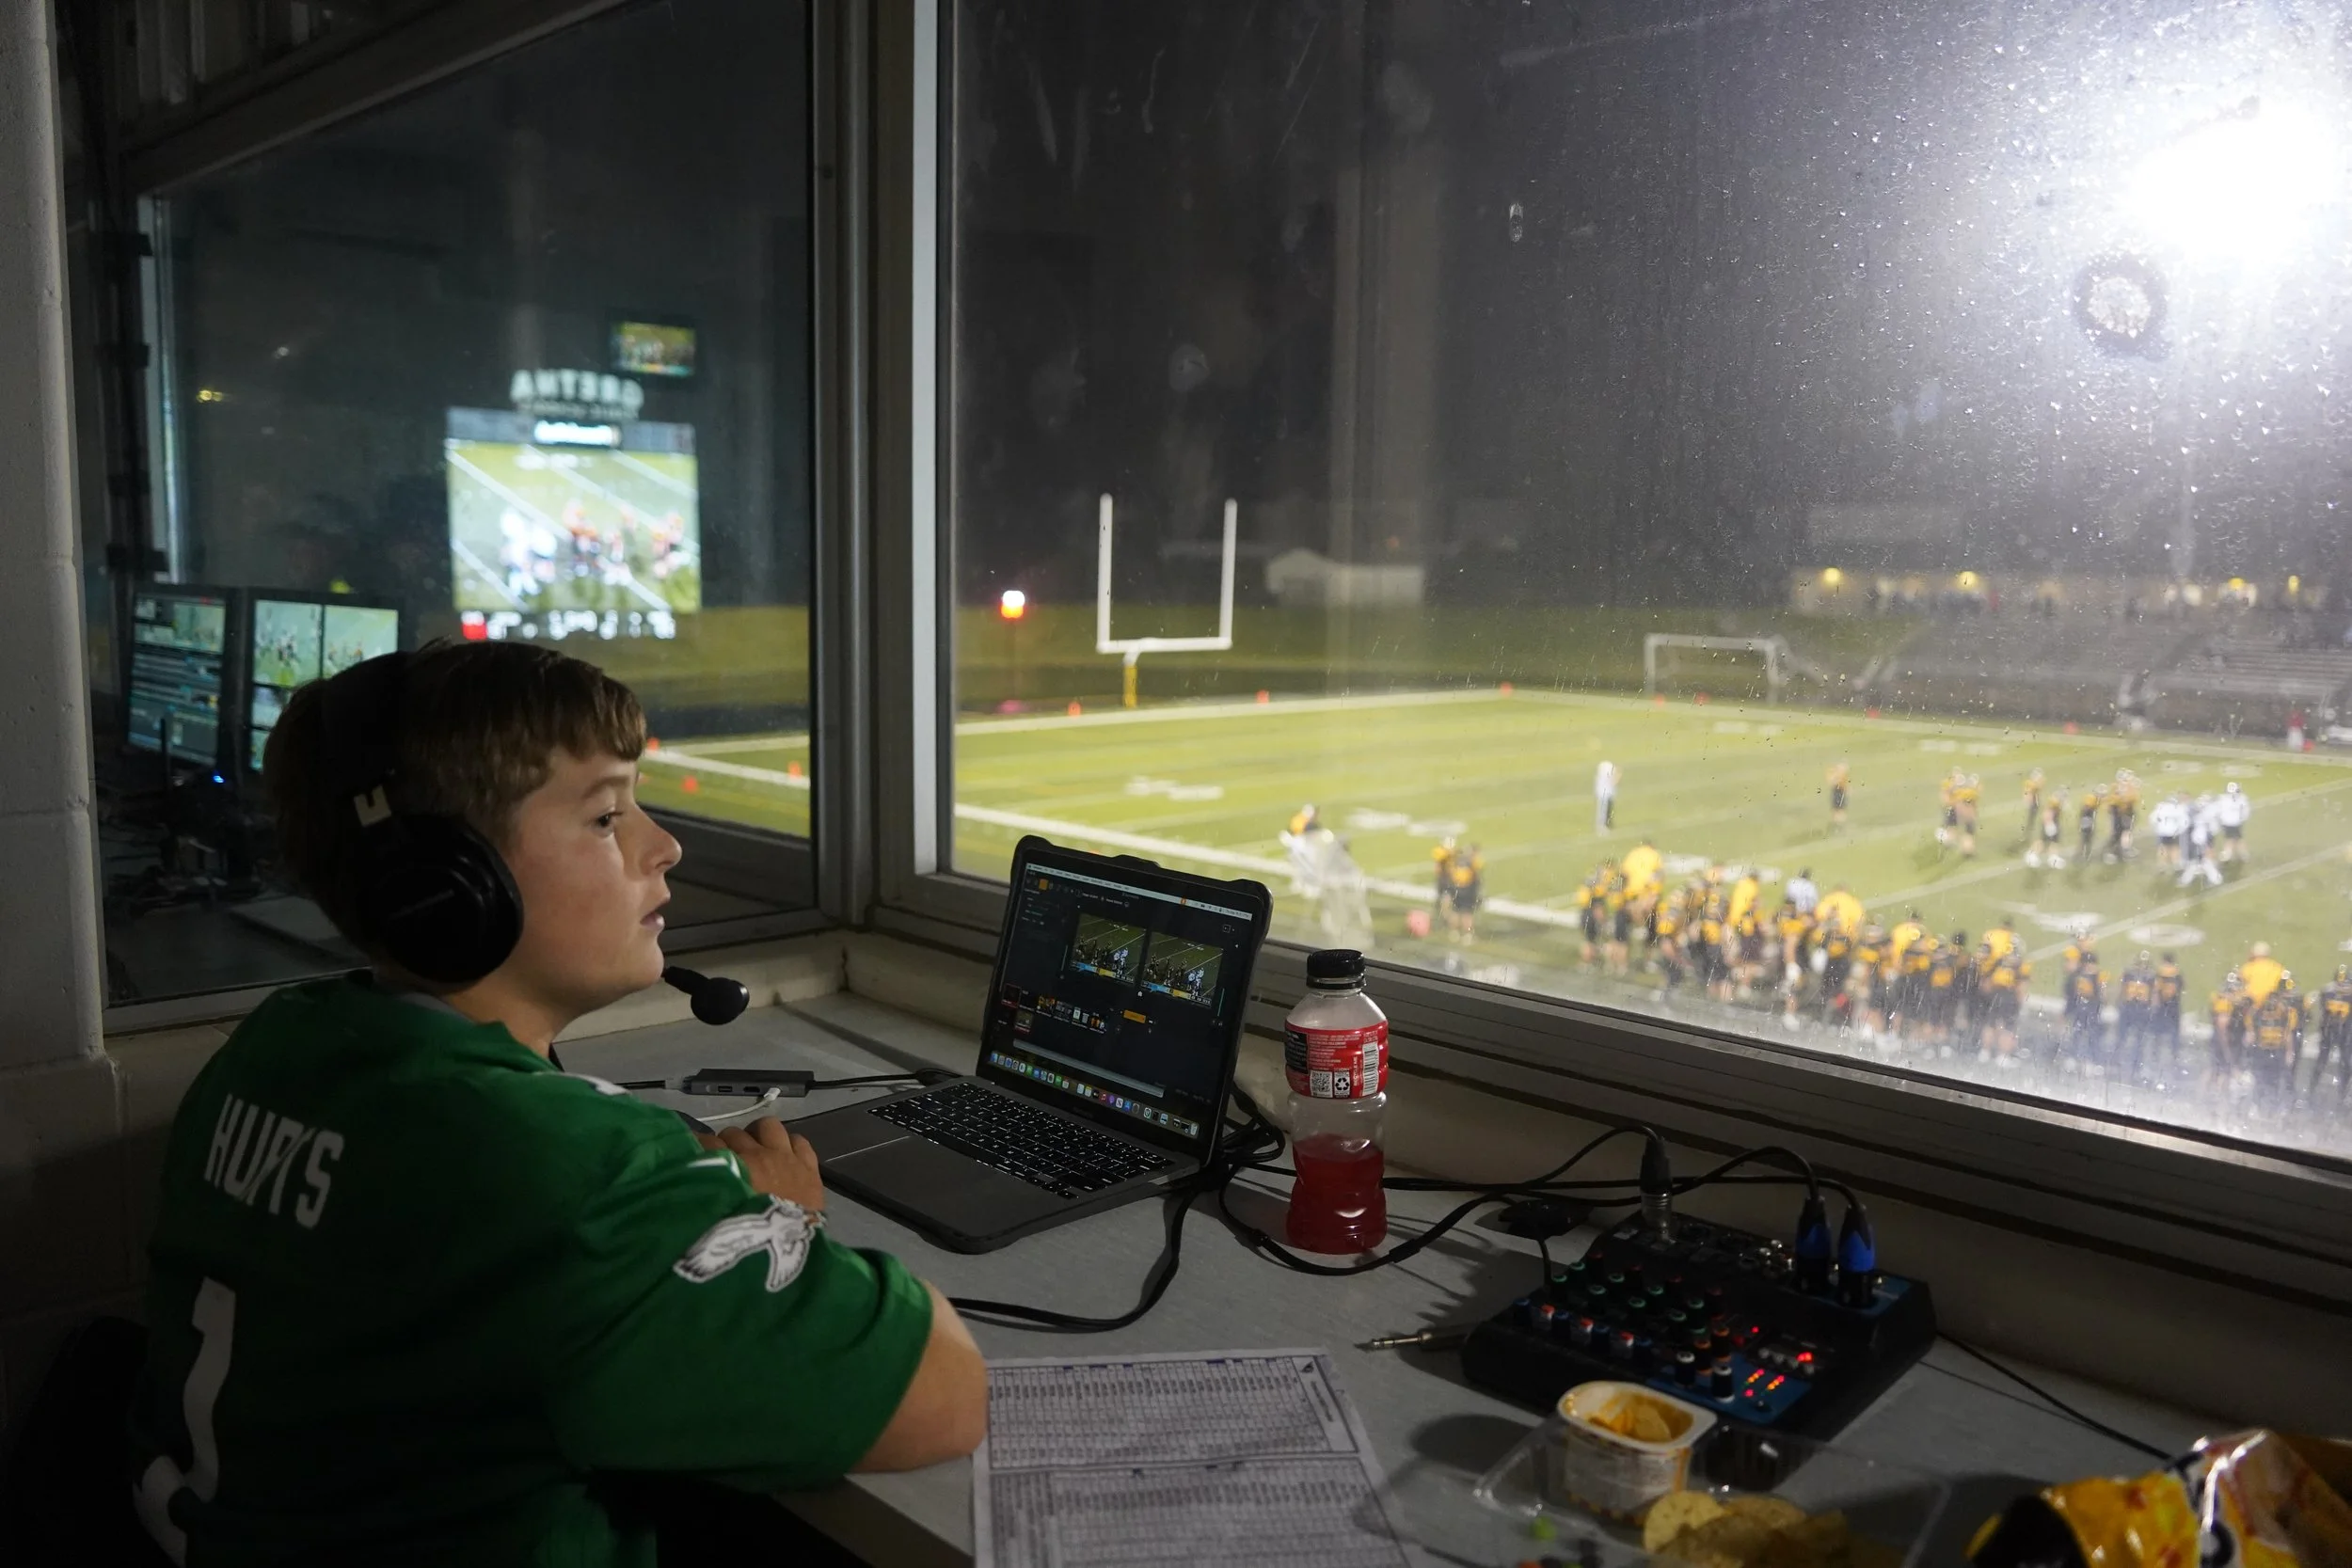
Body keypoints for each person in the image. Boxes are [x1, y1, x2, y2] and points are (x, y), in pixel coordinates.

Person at [130, 640, 986, 1566]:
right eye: (607, 815)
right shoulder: (565, 1174)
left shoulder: (272, 1050)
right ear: (447, 886)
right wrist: (777, 1218)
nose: (664, 845)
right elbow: (947, 1394)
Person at [2115, 951, 2159, 1084]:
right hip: (2128, 1008)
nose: (2142, 966)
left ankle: (2136, 1068)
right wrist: (2119, 1003)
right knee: (2121, 1039)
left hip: (2141, 1010)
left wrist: (2153, 1008)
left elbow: (2154, 994)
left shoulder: (2151, 977)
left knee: (2139, 1042)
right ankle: (2117, 1065)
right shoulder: (2129, 973)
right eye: (2141, 963)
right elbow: (2121, 989)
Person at [2311, 965, 2352, 1101]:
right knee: (2323, 1059)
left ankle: (2343, 1091)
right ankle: (2313, 1087)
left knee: (2345, 1061)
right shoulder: (2328, 991)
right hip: (2330, 1029)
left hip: (2345, 1031)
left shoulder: (2333, 992)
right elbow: (2324, 1010)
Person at [2152, 952, 2185, 1080]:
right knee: (2174, 1033)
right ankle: (2175, 1056)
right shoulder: (2177, 973)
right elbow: (2181, 988)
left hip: (2161, 1006)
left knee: (2158, 1033)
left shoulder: (2159, 973)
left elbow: (2155, 990)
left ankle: (2155, 1055)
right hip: (2173, 1006)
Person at [2217, 780, 2252, 864]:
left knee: (2231, 839)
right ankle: (2242, 854)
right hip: (2235, 822)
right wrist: (2243, 818)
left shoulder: (2223, 799)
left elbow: (2219, 810)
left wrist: (2220, 819)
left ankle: (2229, 854)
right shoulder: (2241, 798)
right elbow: (2245, 811)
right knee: (2237, 838)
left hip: (2229, 822)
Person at [2151, 792, 2188, 870]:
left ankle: (2162, 865)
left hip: (2162, 832)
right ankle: (2176, 864)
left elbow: (2153, 820)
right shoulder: (2179, 809)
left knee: (2163, 848)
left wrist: (2156, 829)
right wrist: (2181, 830)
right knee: (2175, 848)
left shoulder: (2160, 808)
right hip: (2175, 832)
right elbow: (2184, 822)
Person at [1594, 758, 1620, 833]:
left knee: (1604, 810)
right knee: (1604, 810)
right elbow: (1614, 781)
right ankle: (1602, 826)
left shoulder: (1603, 767)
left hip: (1602, 791)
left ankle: (1605, 825)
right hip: (1606, 792)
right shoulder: (1610, 769)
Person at [1827, 761, 1851, 832]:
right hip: (1837, 792)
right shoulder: (1837, 774)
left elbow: (1844, 785)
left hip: (1839, 792)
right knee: (1837, 811)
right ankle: (1839, 826)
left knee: (1840, 811)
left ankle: (1840, 827)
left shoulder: (1841, 776)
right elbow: (1832, 782)